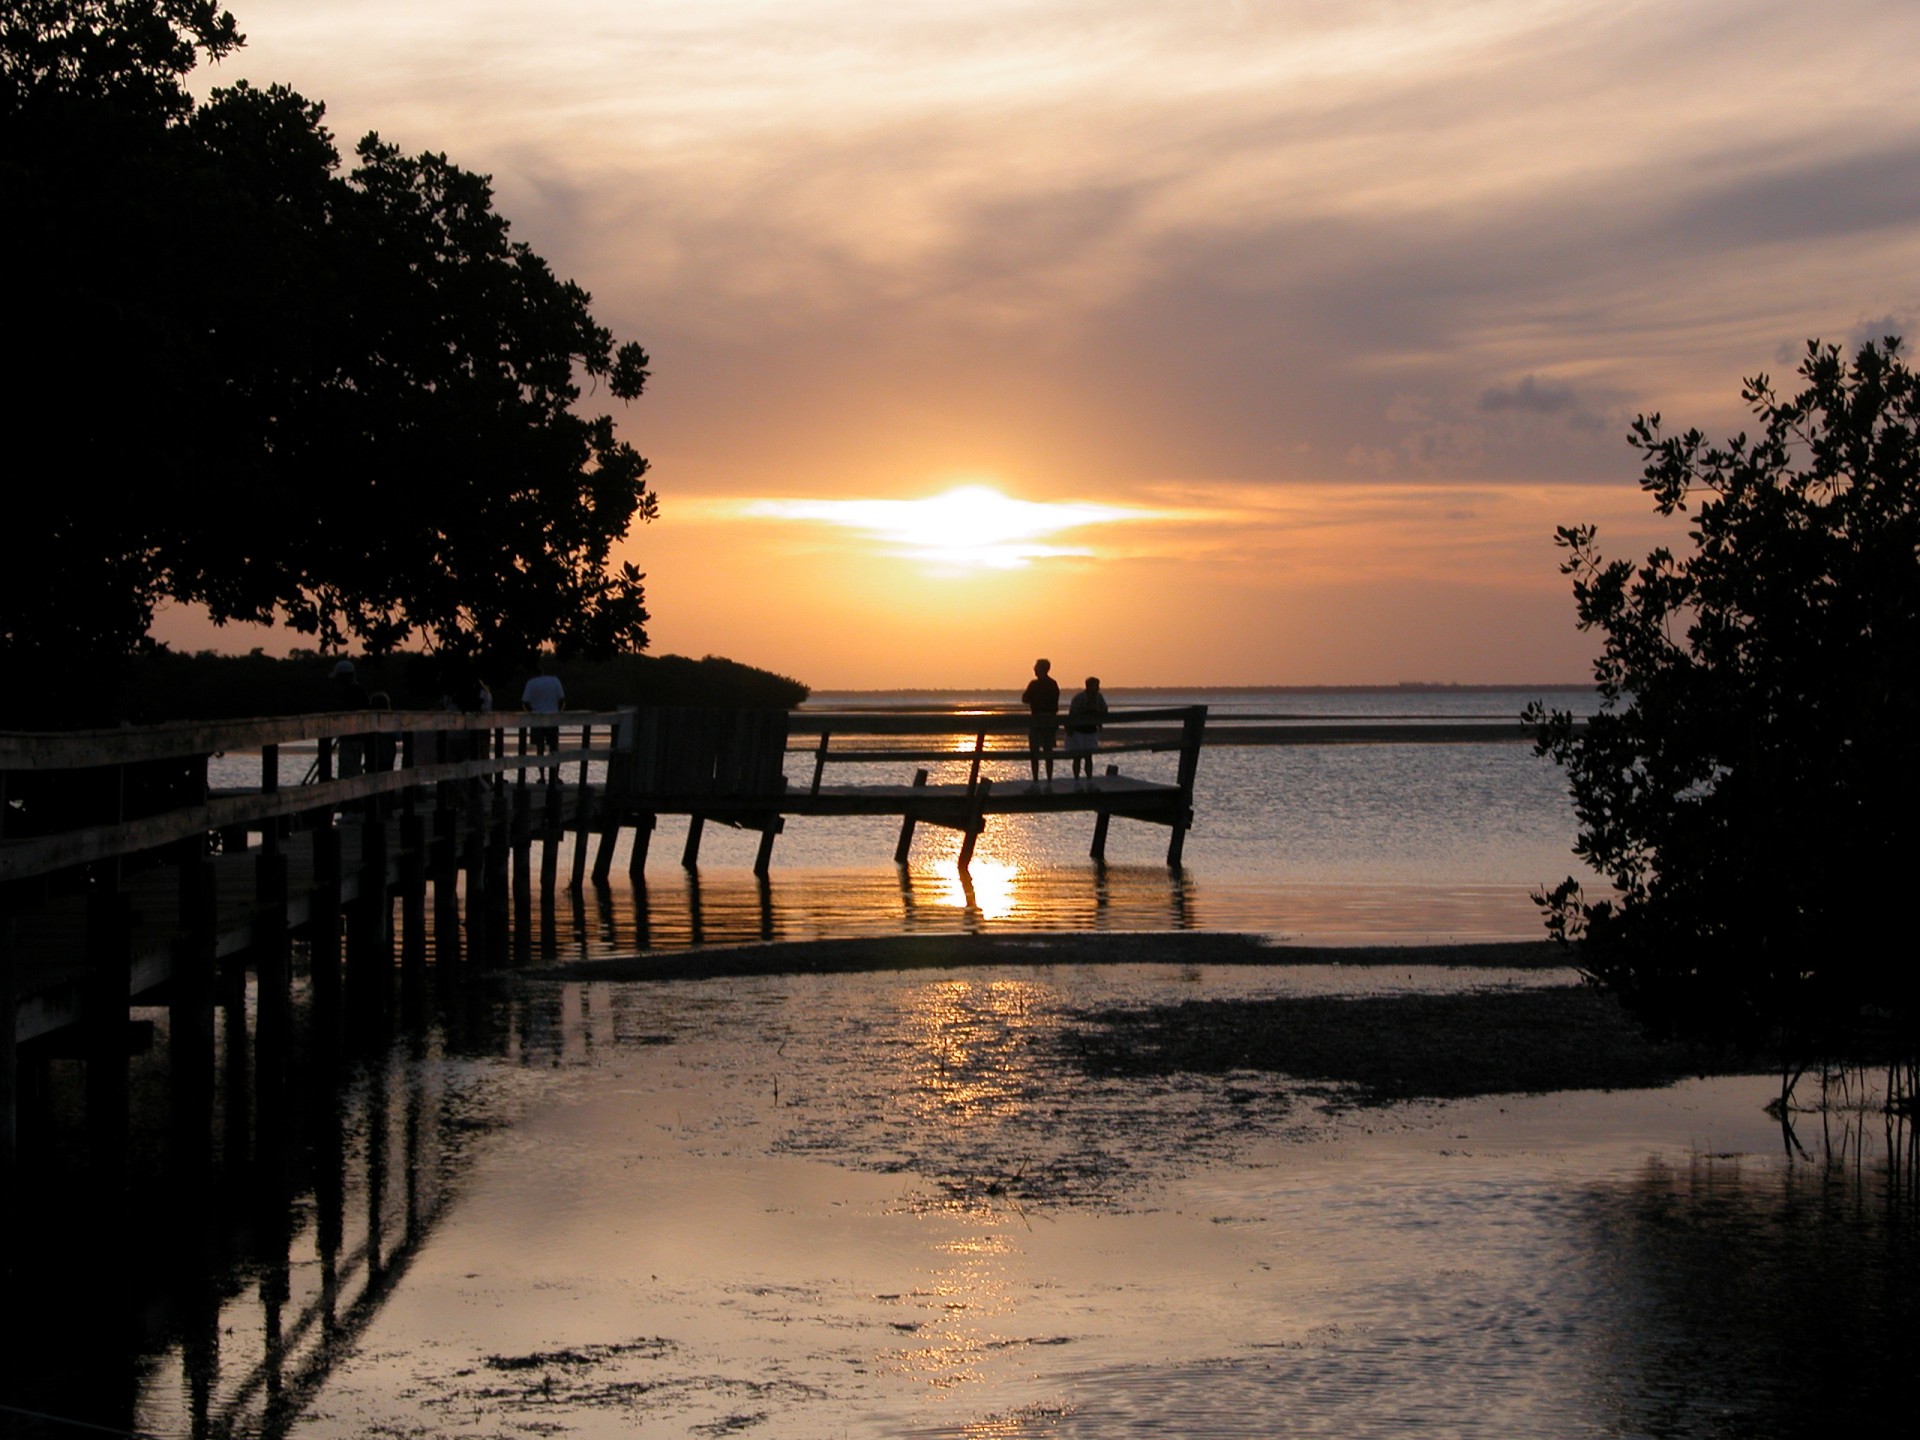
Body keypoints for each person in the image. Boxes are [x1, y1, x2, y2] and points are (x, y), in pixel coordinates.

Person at [521, 655, 565, 775]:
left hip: (538, 719)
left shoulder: (531, 683)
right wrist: (558, 712)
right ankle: (555, 775)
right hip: (553, 718)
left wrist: (531, 713)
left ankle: (542, 776)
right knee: (554, 748)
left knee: (540, 749)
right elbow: (561, 699)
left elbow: (525, 702)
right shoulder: (554, 680)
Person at [1021, 658, 1060, 785]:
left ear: (1041, 669)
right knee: (1048, 751)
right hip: (1050, 720)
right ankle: (1048, 779)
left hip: (1038, 720)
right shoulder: (1053, 684)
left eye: (1036, 667)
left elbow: (1025, 699)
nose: (1034, 669)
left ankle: (1036, 780)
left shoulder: (1034, 684)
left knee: (1035, 752)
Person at [1065, 675, 1107, 783]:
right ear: (1088, 686)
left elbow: (1105, 711)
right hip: (1078, 730)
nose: (1097, 688)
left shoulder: (1099, 697)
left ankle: (1089, 780)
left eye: (1098, 686)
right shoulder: (1079, 698)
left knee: (1089, 757)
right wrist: (1085, 710)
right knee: (1077, 757)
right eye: (1095, 686)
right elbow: (1072, 714)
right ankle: (1076, 780)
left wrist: (1096, 710)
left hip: (1091, 730)